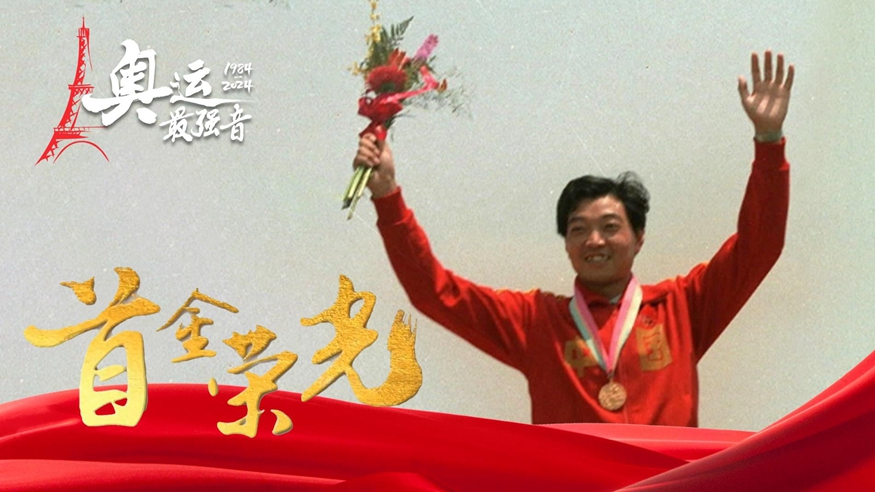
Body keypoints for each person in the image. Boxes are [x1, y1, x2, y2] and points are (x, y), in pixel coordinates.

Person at [352, 51, 793, 426]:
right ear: (566, 244)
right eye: (579, 230)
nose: (594, 241)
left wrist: (769, 141)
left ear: (639, 238)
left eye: (610, 227)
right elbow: (435, 292)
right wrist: (388, 196)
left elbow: (760, 246)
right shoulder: (536, 323)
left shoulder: (683, 308)